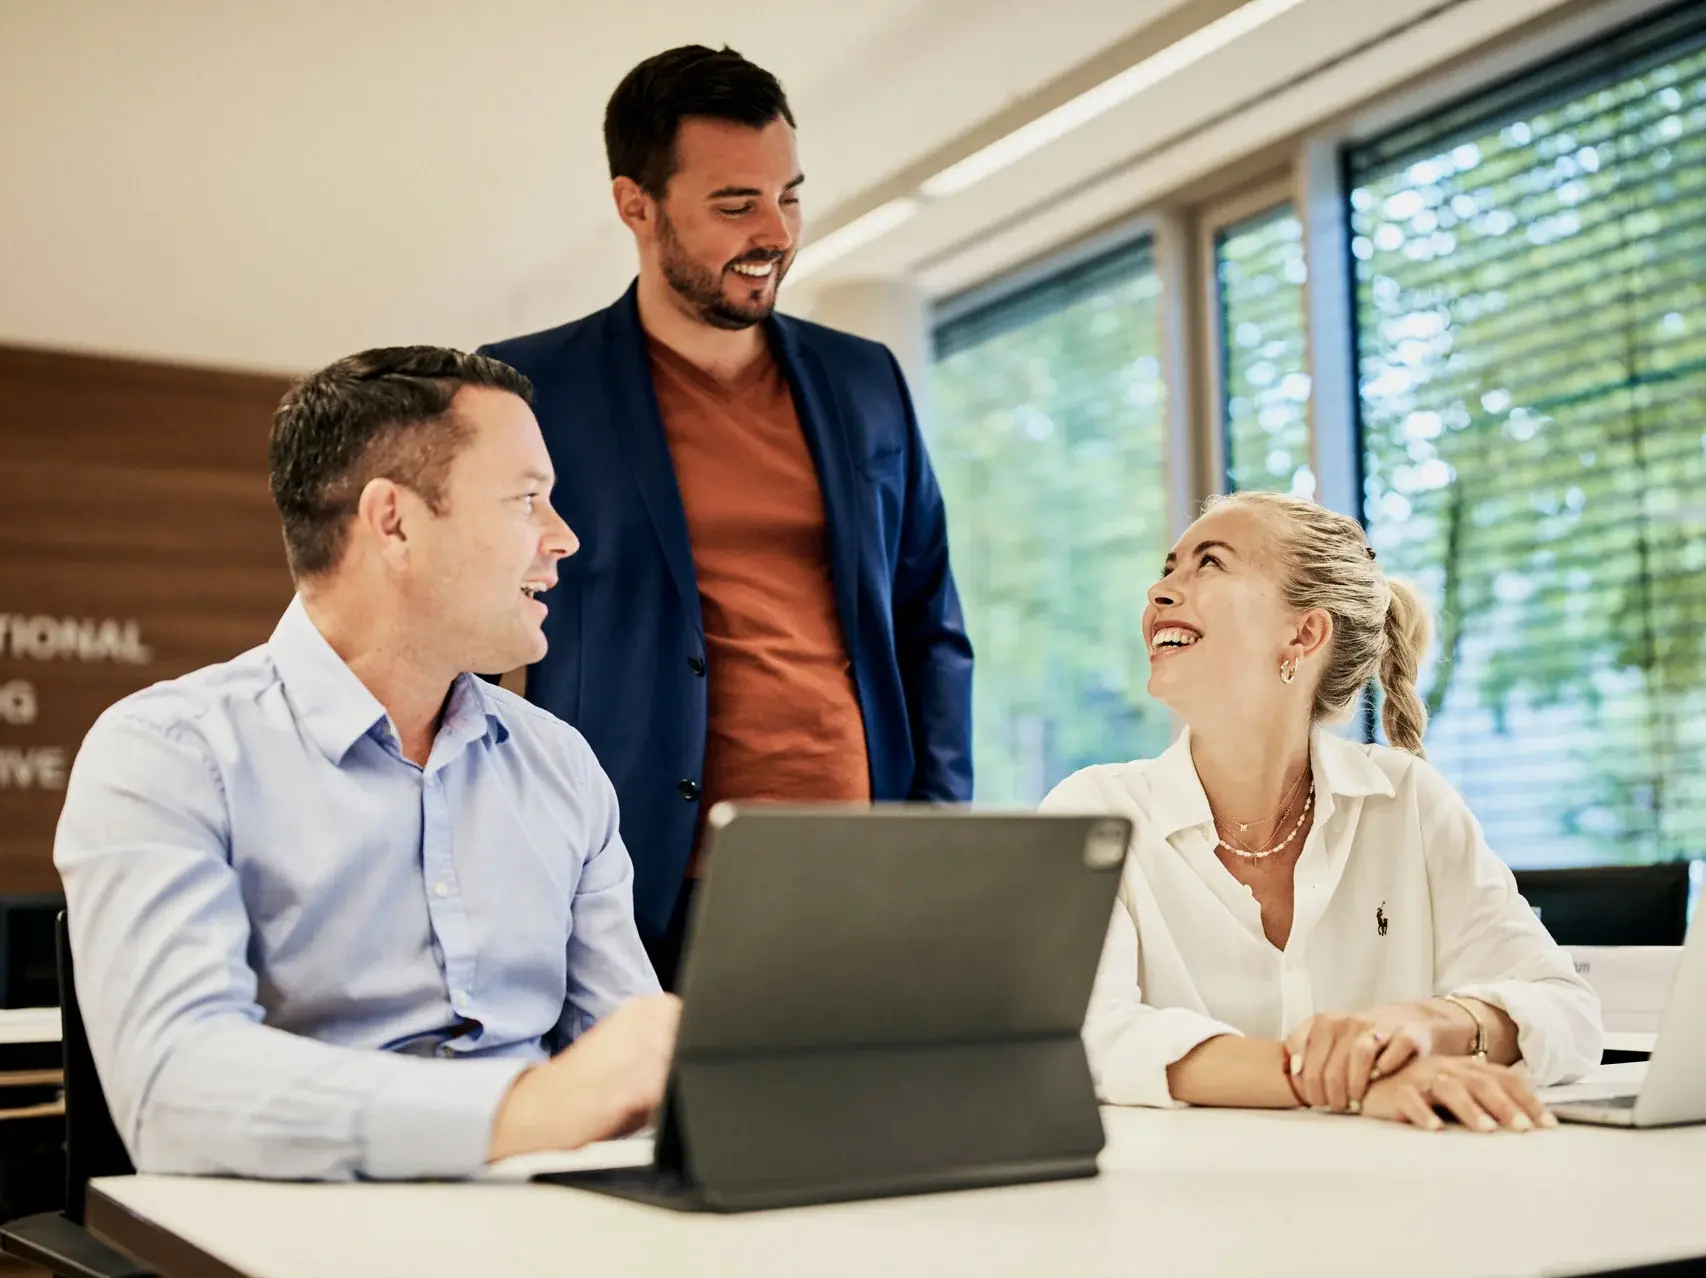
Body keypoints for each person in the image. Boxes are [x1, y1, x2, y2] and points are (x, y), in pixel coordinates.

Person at [55, 347, 676, 1181]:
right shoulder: (167, 753)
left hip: (546, 1220)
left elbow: (629, 1058)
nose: (563, 540)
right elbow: (175, 1091)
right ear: (394, 523)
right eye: (528, 500)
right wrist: (523, 1110)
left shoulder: (559, 765)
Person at [480, 45, 974, 989]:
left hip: (861, 868)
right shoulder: (527, 389)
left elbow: (929, 623)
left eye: (789, 195)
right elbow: (471, 635)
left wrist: (938, 836)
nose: (777, 231)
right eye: (735, 203)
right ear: (636, 205)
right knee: (664, 1138)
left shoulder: (865, 378)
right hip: (636, 875)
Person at [1042, 491, 1601, 1132]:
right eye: (1168, 568)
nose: (1161, 591)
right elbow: (1088, 1034)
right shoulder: (1093, 813)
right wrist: (1347, 1083)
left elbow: (1568, 1012)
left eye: (1209, 564)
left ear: (1304, 632)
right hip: (1179, 1211)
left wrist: (1431, 1025)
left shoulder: (1408, 802)